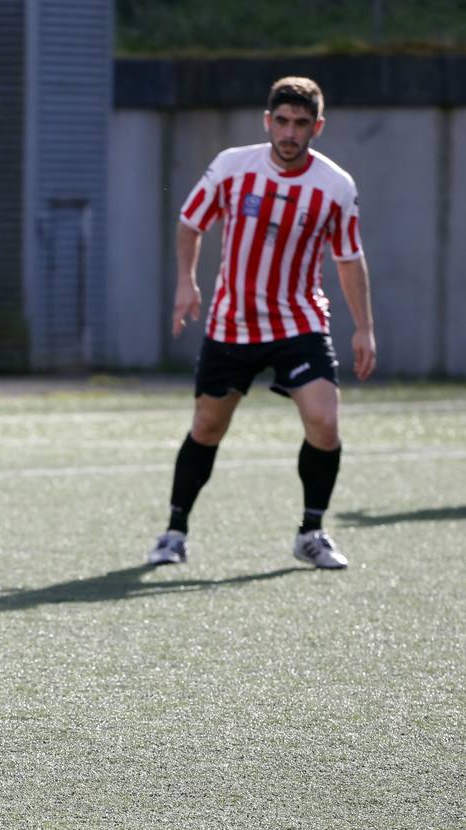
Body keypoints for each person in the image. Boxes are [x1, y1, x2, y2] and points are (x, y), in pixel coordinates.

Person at [148, 76, 376, 570]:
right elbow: (190, 222)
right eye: (282, 121)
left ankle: (311, 531)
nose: (290, 133)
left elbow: (349, 258)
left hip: (300, 322)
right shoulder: (233, 166)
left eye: (300, 124)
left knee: (325, 423)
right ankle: (174, 531)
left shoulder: (335, 186)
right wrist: (186, 283)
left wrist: (364, 327)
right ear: (267, 120)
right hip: (232, 325)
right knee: (208, 428)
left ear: (317, 126)